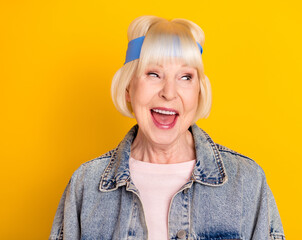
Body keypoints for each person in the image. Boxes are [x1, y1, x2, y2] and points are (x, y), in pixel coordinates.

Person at [49, 15, 285, 240]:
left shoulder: (246, 182)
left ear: (199, 91)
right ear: (128, 88)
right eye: (154, 73)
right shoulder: (86, 186)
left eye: (185, 77)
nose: (169, 93)